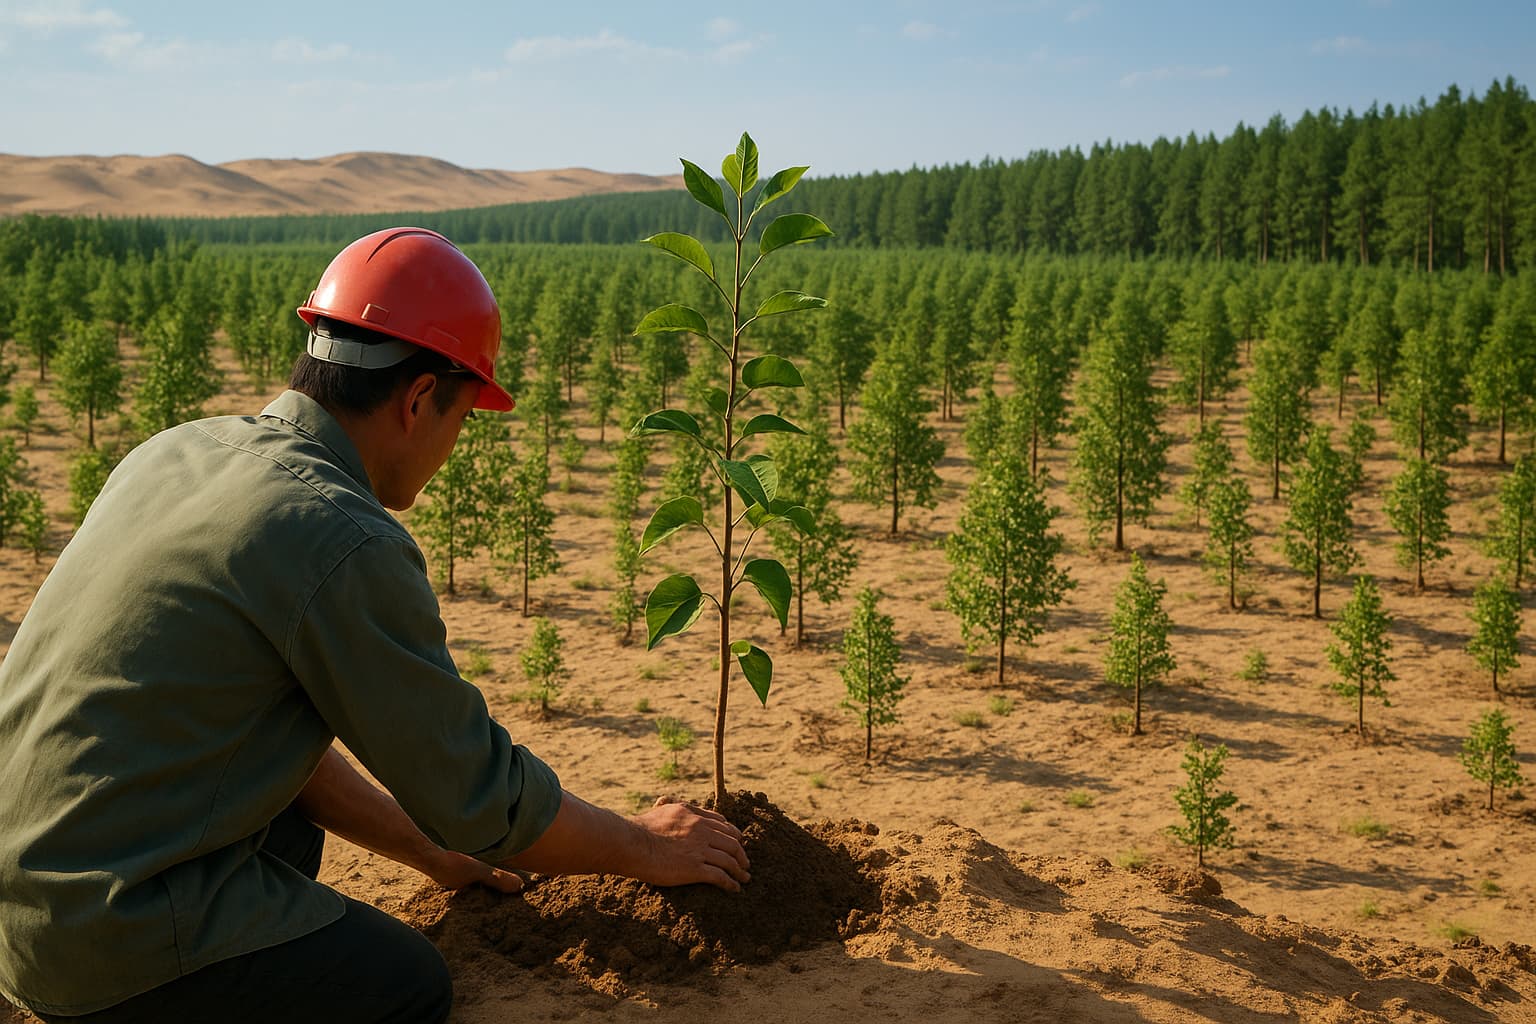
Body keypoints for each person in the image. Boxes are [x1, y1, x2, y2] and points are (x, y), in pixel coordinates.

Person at [0, 227, 749, 1023]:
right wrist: (644, 845)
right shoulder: (339, 533)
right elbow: (476, 795)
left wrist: (428, 854)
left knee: (284, 834)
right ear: (420, 398)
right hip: (92, 930)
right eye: (461, 420)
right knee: (402, 985)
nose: (453, 447)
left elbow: (246, 727)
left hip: (23, 889)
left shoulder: (177, 451)